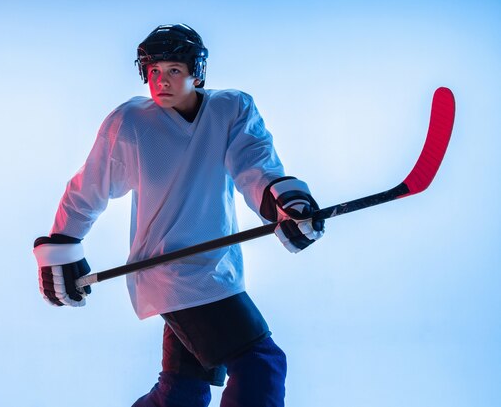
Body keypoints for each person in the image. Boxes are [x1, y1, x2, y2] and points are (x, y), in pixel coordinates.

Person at [33, 23, 325, 407]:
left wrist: (286, 203)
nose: (162, 81)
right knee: (260, 364)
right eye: (154, 71)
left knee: (182, 392)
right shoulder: (131, 123)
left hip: (217, 269)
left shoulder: (232, 109)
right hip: (170, 273)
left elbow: (255, 166)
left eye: (173, 70)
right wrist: (64, 244)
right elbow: (90, 186)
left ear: (196, 72)